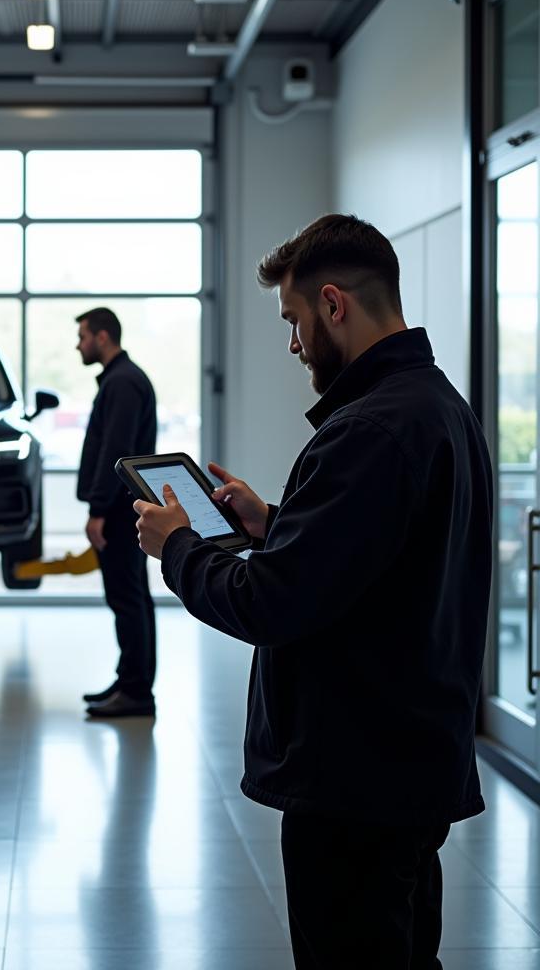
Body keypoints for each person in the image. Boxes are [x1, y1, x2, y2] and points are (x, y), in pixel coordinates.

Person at [133, 215, 493, 968]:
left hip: (355, 777)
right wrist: (274, 523)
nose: (294, 345)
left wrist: (180, 549)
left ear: (334, 305)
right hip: (407, 760)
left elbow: (271, 602)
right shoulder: (436, 407)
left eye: (294, 321)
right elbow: (381, 562)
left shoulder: (369, 429)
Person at [75, 307, 158, 718]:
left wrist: (98, 510)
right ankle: (131, 682)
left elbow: (116, 451)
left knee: (127, 599)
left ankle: (136, 692)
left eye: (83, 336)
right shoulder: (122, 379)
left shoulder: (123, 383)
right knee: (132, 597)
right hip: (124, 508)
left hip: (119, 511)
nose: (79, 344)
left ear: (103, 337)